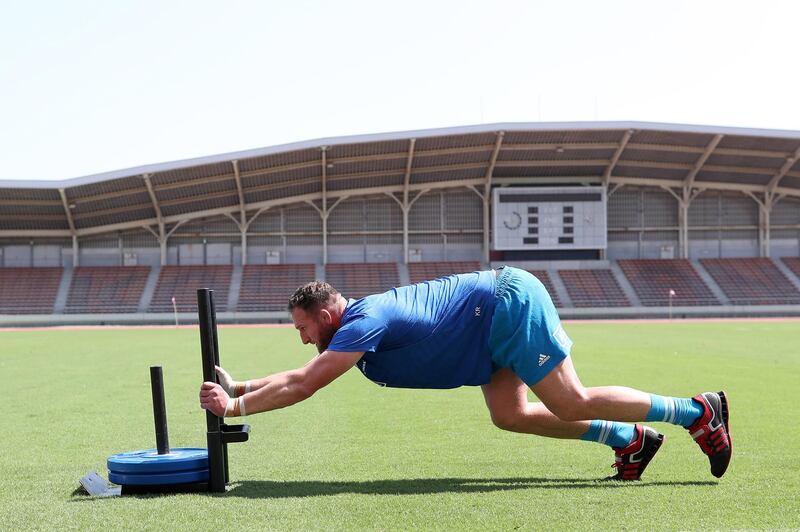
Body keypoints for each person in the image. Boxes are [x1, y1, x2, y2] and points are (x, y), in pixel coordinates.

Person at [199, 266, 732, 480]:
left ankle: (696, 411)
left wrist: (236, 410)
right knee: (510, 414)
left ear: (327, 315)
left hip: (505, 307)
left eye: (303, 328)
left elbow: (305, 383)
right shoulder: (353, 327)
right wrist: (240, 385)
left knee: (570, 400)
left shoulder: (364, 321)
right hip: (484, 333)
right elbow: (301, 371)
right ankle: (631, 440)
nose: (303, 337)